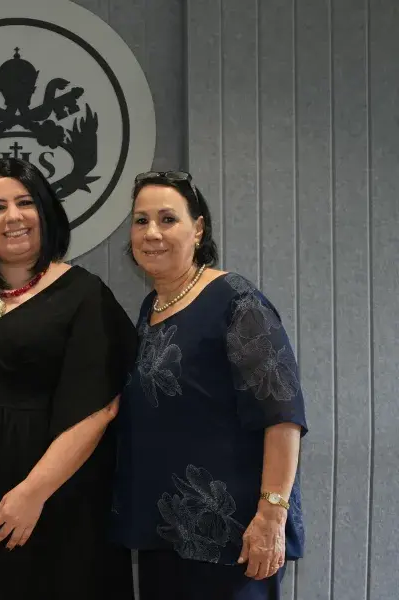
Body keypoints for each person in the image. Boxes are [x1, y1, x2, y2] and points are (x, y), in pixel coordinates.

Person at [0, 157, 137, 600]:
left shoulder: (84, 294)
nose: (12, 217)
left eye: (25, 202)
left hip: (49, 491)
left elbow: (99, 408)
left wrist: (33, 494)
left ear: (46, 212)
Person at [110, 170, 308, 600]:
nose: (152, 233)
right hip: (164, 537)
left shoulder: (236, 300)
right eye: (141, 221)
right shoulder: (152, 307)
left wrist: (272, 516)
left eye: (167, 219)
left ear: (198, 228)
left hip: (231, 542)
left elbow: (282, 415)